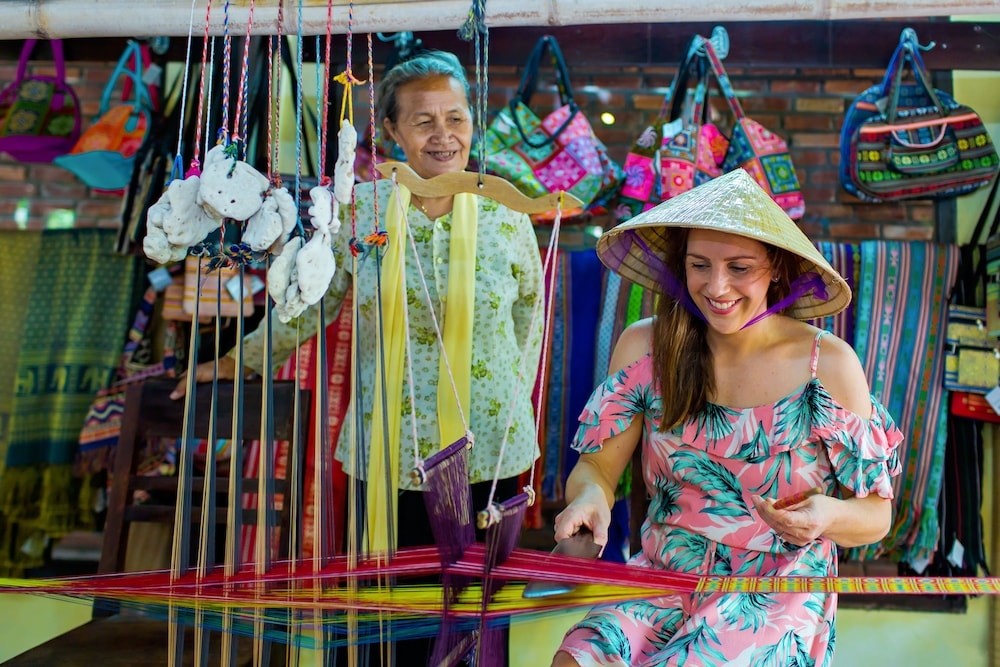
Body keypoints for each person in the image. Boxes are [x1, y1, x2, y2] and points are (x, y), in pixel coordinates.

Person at [174, 50, 544, 552]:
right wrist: (240, 359)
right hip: (389, 442)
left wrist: (513, 400)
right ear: (392, 130)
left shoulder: (507, 213)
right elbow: (314, 303)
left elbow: (530, 320)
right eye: (423, 121)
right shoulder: (358, 214)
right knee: (389, 609)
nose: (443, 134)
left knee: (477, 608)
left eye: (455, 118)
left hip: (491, 441)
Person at [550, 169, 903, 667]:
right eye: (700, 265)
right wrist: (589, 498)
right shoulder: (645, 347)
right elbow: (598, 470)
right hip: (663, 573)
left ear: (776, 268)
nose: (716, 287)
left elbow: (876, 515)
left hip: (776, 590)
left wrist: (827, 516)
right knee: (574, 660)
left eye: (739, 267)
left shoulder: (828, 364)